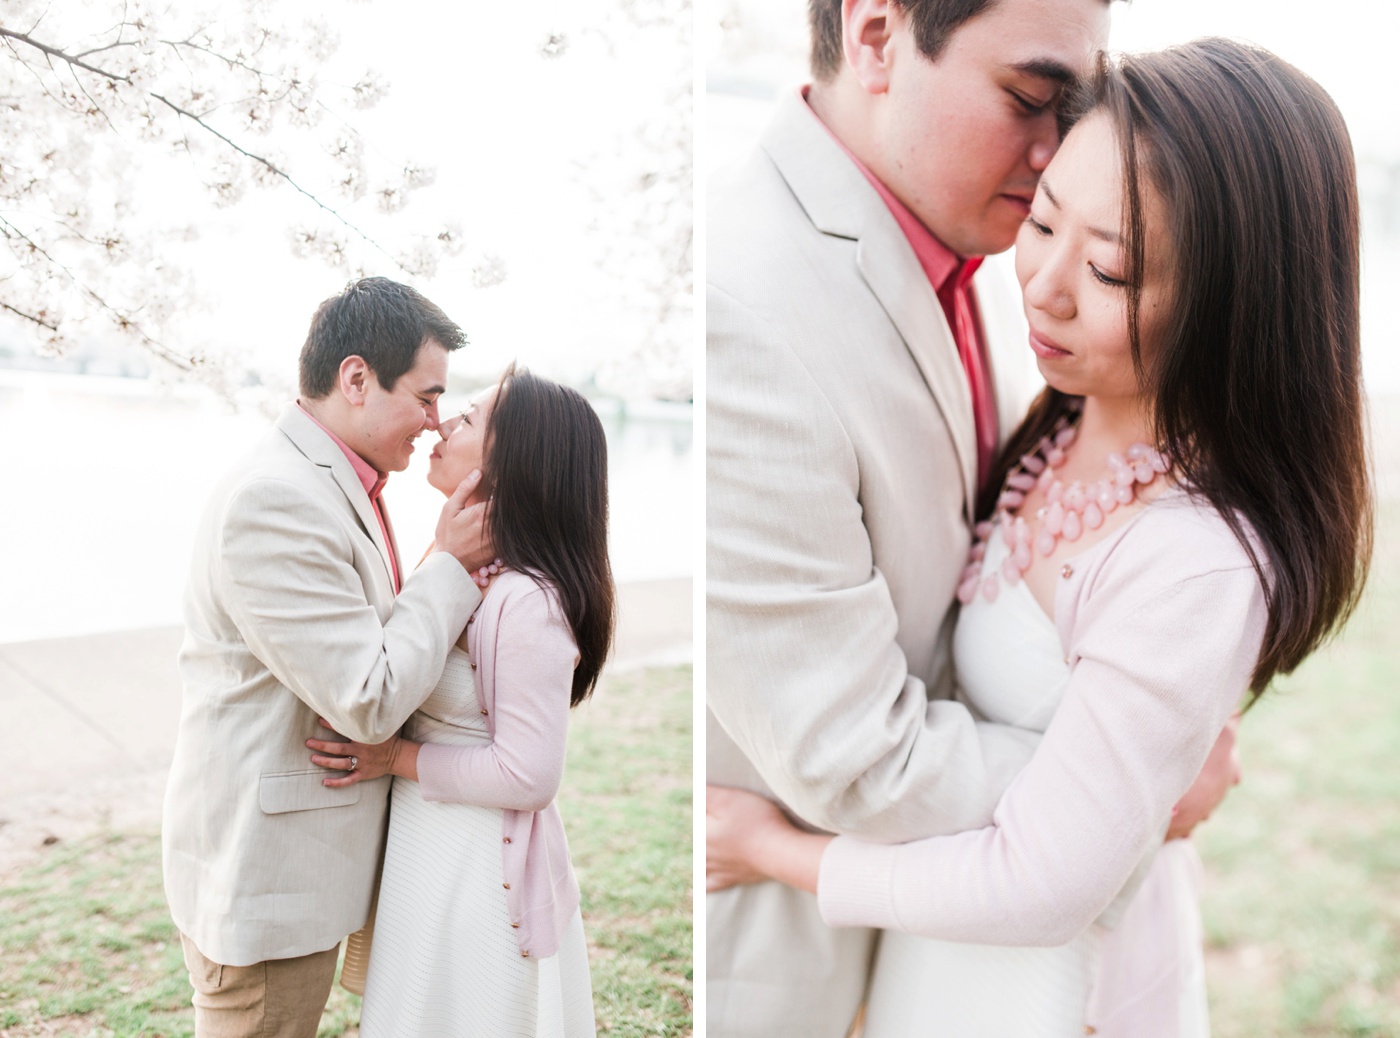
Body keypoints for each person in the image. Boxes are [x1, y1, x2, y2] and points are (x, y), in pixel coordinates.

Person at [709, 37, 1371, 1037]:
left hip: (1046, 987)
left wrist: (777, 854)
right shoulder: (1065, 413)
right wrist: (1132, 787)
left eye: (1108, 268)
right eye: (1042, 221)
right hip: (935, 952)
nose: (1043, 286)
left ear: (1236, 303)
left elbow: (1042, 882)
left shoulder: (1192, 550)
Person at [162, 277, 498, 1037]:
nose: (435, 421)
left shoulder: (336, 484)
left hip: (307, 872)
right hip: (267, 884)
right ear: (356, 378)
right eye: (426, 395)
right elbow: (367, 698)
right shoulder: (276, 499)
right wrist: (448, 562)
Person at [304, 364, 613, 1037]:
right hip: (429, 851)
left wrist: (396, 758)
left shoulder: (525, 600)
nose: (442, 423)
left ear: (515, 462)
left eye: (468, 419)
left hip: (476, 874)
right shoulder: (472, 570)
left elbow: (530, 775)